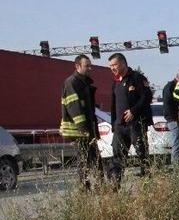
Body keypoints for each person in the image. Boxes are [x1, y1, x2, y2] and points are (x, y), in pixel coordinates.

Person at [108, 53, 153, 180]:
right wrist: (114, 125)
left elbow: (147, 97)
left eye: (115, 65)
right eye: (110, 66)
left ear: (123, 63)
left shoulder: (137, 78)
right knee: (117, 157)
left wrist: (133, 111)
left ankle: (146, 181)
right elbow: (113, 106)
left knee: (142, 154)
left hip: (136, 125)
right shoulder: (116, 82)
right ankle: (115, 184)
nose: (112, 68)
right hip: (120, 126)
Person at [60, 54, 100, 190]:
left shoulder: (83, 82)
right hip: (80, 131)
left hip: (87, 129)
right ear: (77, 66)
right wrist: (83, 128)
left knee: (94, 160)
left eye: (90, 66)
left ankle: (98, 187)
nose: (90, 68)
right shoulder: (71, 82)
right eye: (86, 66)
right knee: (85, 161)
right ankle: (85, 189)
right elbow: (74, 107)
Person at [163, 68, 179, 166]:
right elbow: (173, 102)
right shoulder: (171, 87)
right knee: (177, 143)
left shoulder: (176, 86)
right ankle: (176, 167)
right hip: (174, 119)